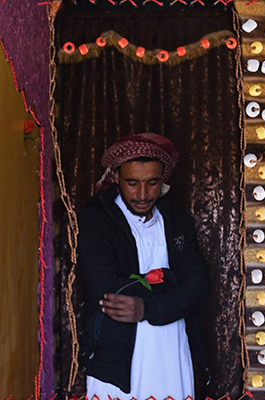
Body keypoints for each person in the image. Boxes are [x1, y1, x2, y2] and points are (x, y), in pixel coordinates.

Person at [77, 133, 210, 399]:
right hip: (116, 360)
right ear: (115, 177)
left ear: (163, 181)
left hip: (172, 350)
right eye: (132, 183)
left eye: (152, 183)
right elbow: (109, 290)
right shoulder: (95, 220)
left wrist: (146, 307)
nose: (142, 194)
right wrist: (172, 280)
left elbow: (200, 287)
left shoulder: (178, 221)